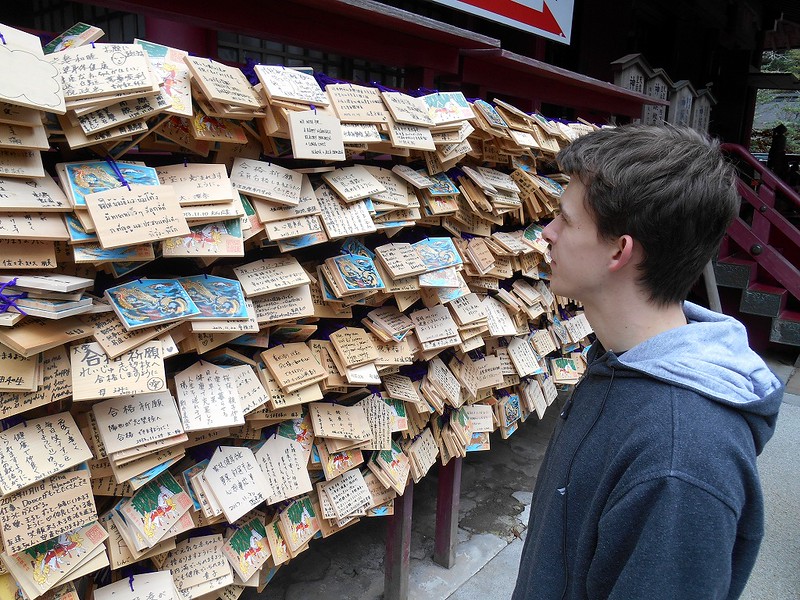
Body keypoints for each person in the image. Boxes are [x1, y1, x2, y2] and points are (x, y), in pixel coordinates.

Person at [512, 124, 784, 600]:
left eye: (566, 220)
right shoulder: (619, 362)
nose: (547, 233)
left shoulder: (681, 459)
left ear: (620, 250)